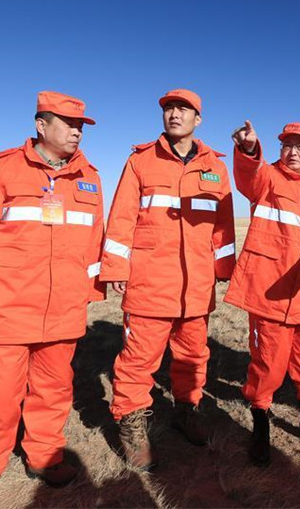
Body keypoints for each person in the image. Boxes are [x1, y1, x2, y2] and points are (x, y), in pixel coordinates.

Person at [0, 91, 105, 509]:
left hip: (64, 309)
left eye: (81, 127)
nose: (76, 132)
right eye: (68, 124)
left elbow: (93, 242)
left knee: (53, 390)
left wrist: (88, 292)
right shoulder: (2, 171)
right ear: (41, 125)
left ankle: (44, 455)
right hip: (7, 307)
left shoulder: (90, 177)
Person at [100, 88, 236, 471]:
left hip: (195, 284)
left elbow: (222, 225)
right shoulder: (141, 161)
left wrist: (223, 268)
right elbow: (122, 217)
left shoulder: (215, 166)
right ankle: (131, 424)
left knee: (193, 355)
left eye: (184, 109)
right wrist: (115, 268)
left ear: (198, 119)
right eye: (169, 108)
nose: (175, 114)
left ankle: (186, 410)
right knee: (138, 359)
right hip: (149, 280)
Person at [225, 120, 300, 467]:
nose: (292, 152)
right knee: (268, 363)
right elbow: (248, 174)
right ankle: (261, 422)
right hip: (270, 289)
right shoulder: (266, 178)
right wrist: (249, 149)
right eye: (287, 145)